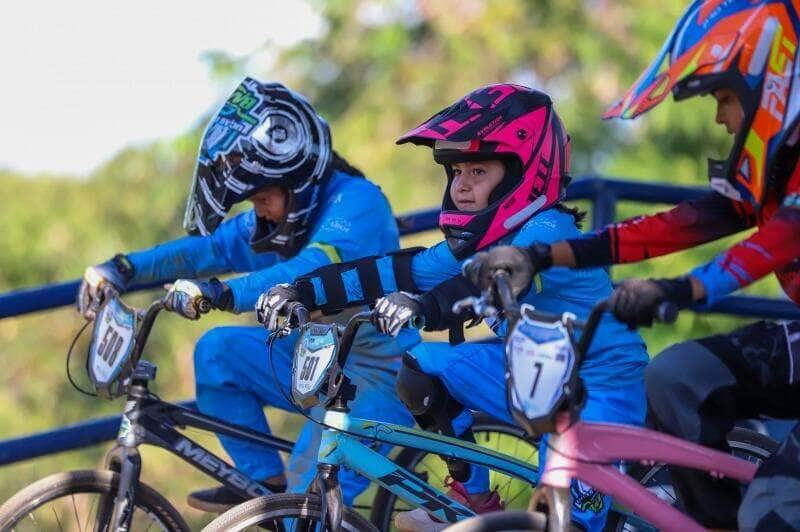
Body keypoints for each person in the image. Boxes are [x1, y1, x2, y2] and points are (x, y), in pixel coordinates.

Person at [257, 83, 650, 531]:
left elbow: (484, 280)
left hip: (596, 384)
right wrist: (304, 291)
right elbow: (397, 271)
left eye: (477, 172)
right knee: (423, 363)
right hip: (531, 372)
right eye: (457, 172)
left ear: (524, 173)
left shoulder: (549, 228)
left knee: (565, 525)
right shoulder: (487, 234)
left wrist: (424, 305)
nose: (461, 186)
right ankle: (474, 499)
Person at [470, 1, 800, 529]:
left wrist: (681, 289)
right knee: (674, 378)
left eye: (724, 96)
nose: (720, 116)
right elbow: (674, 225)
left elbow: (779, 241)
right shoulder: (773, 169)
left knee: (774, 507)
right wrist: (541, 254)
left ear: (776, 82)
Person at [76, 77, 415, 512]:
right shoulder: (284, 214)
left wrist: (221, 292)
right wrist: (123, 267)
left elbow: (309, 269)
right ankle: (262, 488)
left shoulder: (358, 202)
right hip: (319, 359)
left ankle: (287, 508)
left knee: (306, 501)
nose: (259, 210)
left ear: (297, 180)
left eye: (262, 198)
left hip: (377, 372)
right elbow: (212, 248)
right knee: (218, 352)